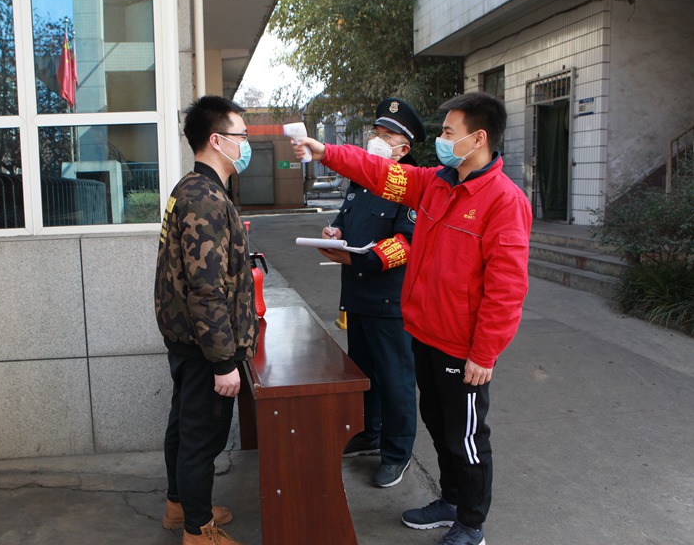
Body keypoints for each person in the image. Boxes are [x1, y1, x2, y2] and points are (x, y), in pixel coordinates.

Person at [294, 92, 531, 545]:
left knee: (466, 437)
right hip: (424, 332)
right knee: (439, 426)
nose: (442, 139)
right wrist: (326, 152)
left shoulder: (504, 201)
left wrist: (485, 353)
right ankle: (451, 500)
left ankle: (472, 524)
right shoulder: (436, 183)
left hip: (462, 347)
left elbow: (507, 288)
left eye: (449, 132)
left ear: (478, 138)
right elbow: (379, 172)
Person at [155, 95, 258, 545]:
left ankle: (180, 506)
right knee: (201, 437)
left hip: (190, 341)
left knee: (184, 427)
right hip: (204, 346)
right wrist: (223, 362)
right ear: (217, 140)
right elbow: (206, 289)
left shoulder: (193, 189)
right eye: (242, 136)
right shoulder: (205, 199)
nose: (246, 144)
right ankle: (198, 531)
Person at [318, 98, 422, 489]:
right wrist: (334, 233)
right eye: (376, 132)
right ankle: (370, 432)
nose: (377, 140)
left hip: (390, 301)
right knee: (365, 375)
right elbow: (345, 221)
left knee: (395, 379)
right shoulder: (362, 181)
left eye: (387, 135)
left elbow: (407, 243)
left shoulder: (410, 186)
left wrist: (358, 259)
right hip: (358, 296)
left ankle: (397, 452)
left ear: (404, 148)